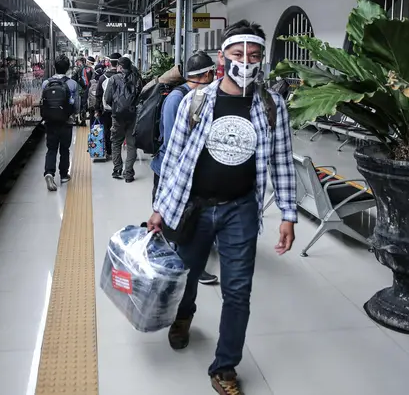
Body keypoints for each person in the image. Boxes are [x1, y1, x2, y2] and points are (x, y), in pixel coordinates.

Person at [147, 20, 298, 395]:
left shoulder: (271, 105)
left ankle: (225, 367)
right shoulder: (195, 102)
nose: (246, 62)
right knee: (188, 275)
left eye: (254, 55)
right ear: (222, 57)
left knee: (237, 291)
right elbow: (173, 158)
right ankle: (183, 317)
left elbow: (281, 160)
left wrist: (288, 214)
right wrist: (159, 209)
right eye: (237, 54)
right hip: (194, 209)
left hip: (241, 209)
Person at [150, 51, 219, 286]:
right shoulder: (179, 99)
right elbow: (173, 145)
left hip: (187, 174)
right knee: (178, 222)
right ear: (208, 74)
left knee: (185, 222)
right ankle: (182, 269)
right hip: (171, 172)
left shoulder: (198, 97)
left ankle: (182, 265)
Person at [41, 55, 79, 192]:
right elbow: (76, 104)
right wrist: (74, 115)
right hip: (66, 121)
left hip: (50, 122)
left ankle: (49, 173)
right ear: (68, 68)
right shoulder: (72, 84)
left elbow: (43, 102)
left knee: (51, 149)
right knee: (64, 149)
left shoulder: (46, 83)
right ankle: (63, 175)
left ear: (54, 67)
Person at [104, 56, 140, 182]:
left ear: (119, 67)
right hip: (133, 116)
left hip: (117, 116)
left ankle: (117, 169)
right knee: (131, 145)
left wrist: (115, 106)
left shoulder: (113, 79)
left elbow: (107, 98)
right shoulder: (137, 78)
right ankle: (128, 173)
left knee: (116, 143)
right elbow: (142, 97)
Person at [96, 53, 121, 160]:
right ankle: (117, 153)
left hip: (106, 109)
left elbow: (98, 95)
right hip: (120, 109)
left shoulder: (102, 78)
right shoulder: (123, 77)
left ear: (109, 63)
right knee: (118, 132)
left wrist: (97, 109)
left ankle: (109, 152)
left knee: (106, 130)